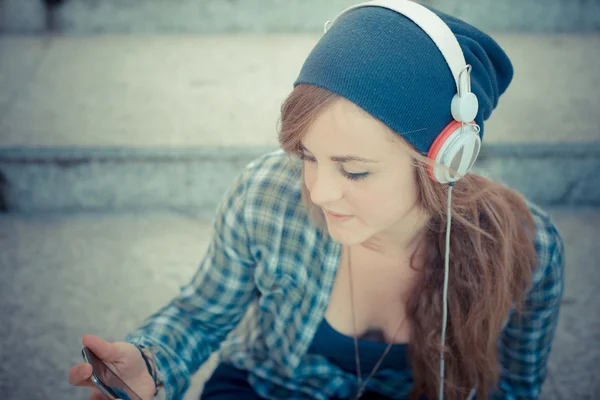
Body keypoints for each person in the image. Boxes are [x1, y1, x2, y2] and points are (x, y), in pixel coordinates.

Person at [67, 1, 565, 399]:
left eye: (354, 170)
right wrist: (150, 364)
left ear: (445, 163)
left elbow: (516, 388)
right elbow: (202, 313)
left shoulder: (530, 249)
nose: (320, 192)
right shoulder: (266, 193)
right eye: (307, 156)